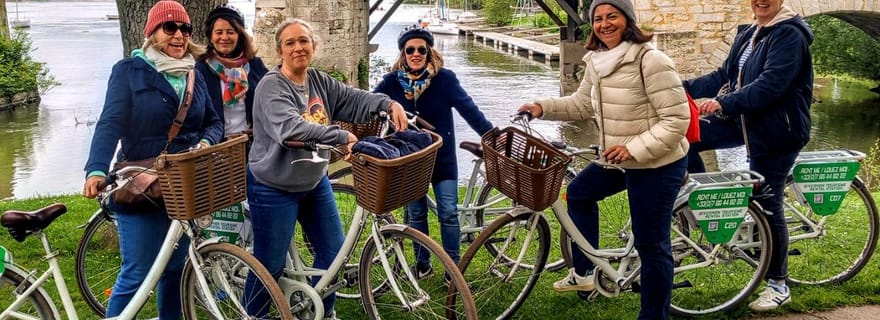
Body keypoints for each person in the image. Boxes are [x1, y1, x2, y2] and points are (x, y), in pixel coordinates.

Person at [518, 0, 690, 318]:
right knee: (580, 193)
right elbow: (582, 104)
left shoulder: (651, 60)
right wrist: (542, 106)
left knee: (651, 245)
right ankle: (585, 275)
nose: (604, 23)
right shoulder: (597, 59)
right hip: (617, 158)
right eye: (598, 18)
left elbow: (676, 120)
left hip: (657, 163)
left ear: (628, 20)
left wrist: (633, 148)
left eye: (612, 16)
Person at [243, 18, 407, 319]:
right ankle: (254, 315)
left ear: (313, 46)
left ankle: (321, 312)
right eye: (290, 43)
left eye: (303, 41)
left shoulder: (318, 80)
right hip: (273, 186)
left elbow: (351, 98)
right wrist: (340, 136)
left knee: (333, 254)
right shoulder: (271, 86)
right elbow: (290, 129)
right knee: (269, 264)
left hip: (313, 180)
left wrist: (386, 104)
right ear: (280, 51)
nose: (298, 47)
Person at [81, 1, 223, 318]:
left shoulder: (194, 74)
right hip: (142, 185)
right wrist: (96, 169)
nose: (179, 35)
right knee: (137, 273)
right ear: (152, 32)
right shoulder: (128, 72)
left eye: (185, 29)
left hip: (184, 184)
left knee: (174, 270)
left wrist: (204, 143)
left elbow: (214, 122)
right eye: (169, 27)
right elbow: (110, 123)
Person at [682, 0, 813, 312]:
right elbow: (721, 75)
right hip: (743, 120)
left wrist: (725, 104)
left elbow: (771, 85)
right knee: (685, 139)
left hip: (777, 129)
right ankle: (698, 213)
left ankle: (778, 284)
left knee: (769, 204)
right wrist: (679, 88)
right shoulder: (752, 32)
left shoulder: (789, 35)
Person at [373, 25, 493, 277]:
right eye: (410, 50)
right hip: (411, 160)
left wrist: (491, 135)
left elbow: (469, 110)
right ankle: (422, 264)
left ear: (429, 52)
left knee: (448, 212)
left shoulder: (445, 80)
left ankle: (453, 268)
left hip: (442, 157)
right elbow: (368, 104)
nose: (416, 54)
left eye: (421, 49)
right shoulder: (391, 82)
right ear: (403, 54)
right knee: (415, 213)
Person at [196, 4, 268, 137]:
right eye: (219, 32)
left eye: (230, 32)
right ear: (211, 37)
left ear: (239, 35)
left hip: (251, 143)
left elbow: (270, 101)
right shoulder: (200, 70)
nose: (224, 37)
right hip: (215, 146)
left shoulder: (255, 65)